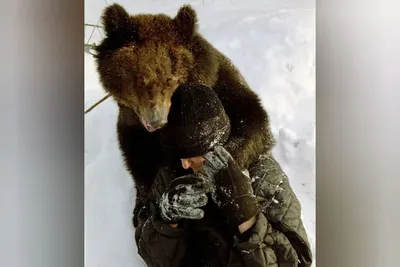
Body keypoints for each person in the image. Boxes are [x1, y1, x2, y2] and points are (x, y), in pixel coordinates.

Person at [134, 84, 313, 267]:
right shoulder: (171, 174)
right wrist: (166, 219)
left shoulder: (262, 174)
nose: (185, 163)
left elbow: (298, 261)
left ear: (215, 145)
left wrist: (247, 216)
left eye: (193, 152)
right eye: (179, 153)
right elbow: (152, 256)